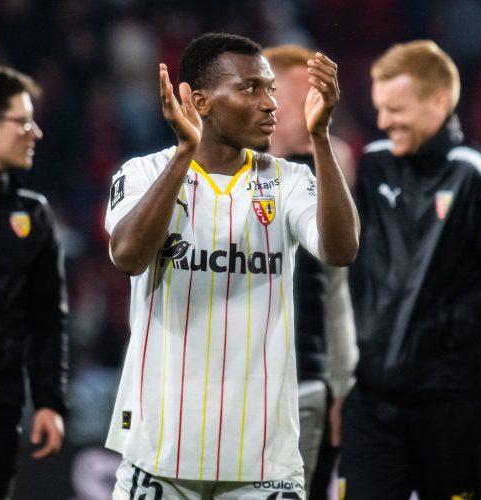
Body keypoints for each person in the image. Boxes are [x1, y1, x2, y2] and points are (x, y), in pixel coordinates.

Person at [104, 33, 358, 499]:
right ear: (200, 101)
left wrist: (320, 138)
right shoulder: (142, 173)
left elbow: (341, 250)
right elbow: (128, 256)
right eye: (250, 88)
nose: (270, 104)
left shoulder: (289, 180)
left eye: (271, 90)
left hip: (264, 459)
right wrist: (185, 154)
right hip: (160, 452)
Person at [342, 40, 481, 500]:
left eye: (396, 109)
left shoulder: (479, 175)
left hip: (450, 400)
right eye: (379, 108)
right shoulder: (374, 165)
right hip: (372, 400)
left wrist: (440, 329)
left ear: (439, 102)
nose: (383, 121)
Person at [262, 43, 358, 498]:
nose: (315, 108)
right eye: (303, 96)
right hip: (240, 377)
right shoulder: (226, 171)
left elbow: (335, 288)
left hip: (307, 373)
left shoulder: (328, 168)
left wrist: (342, 384)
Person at [0, 64, 68, 499]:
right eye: (24, 122)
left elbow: (47, 317)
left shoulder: (32, 215)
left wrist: (48, 400)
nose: (36, 133)